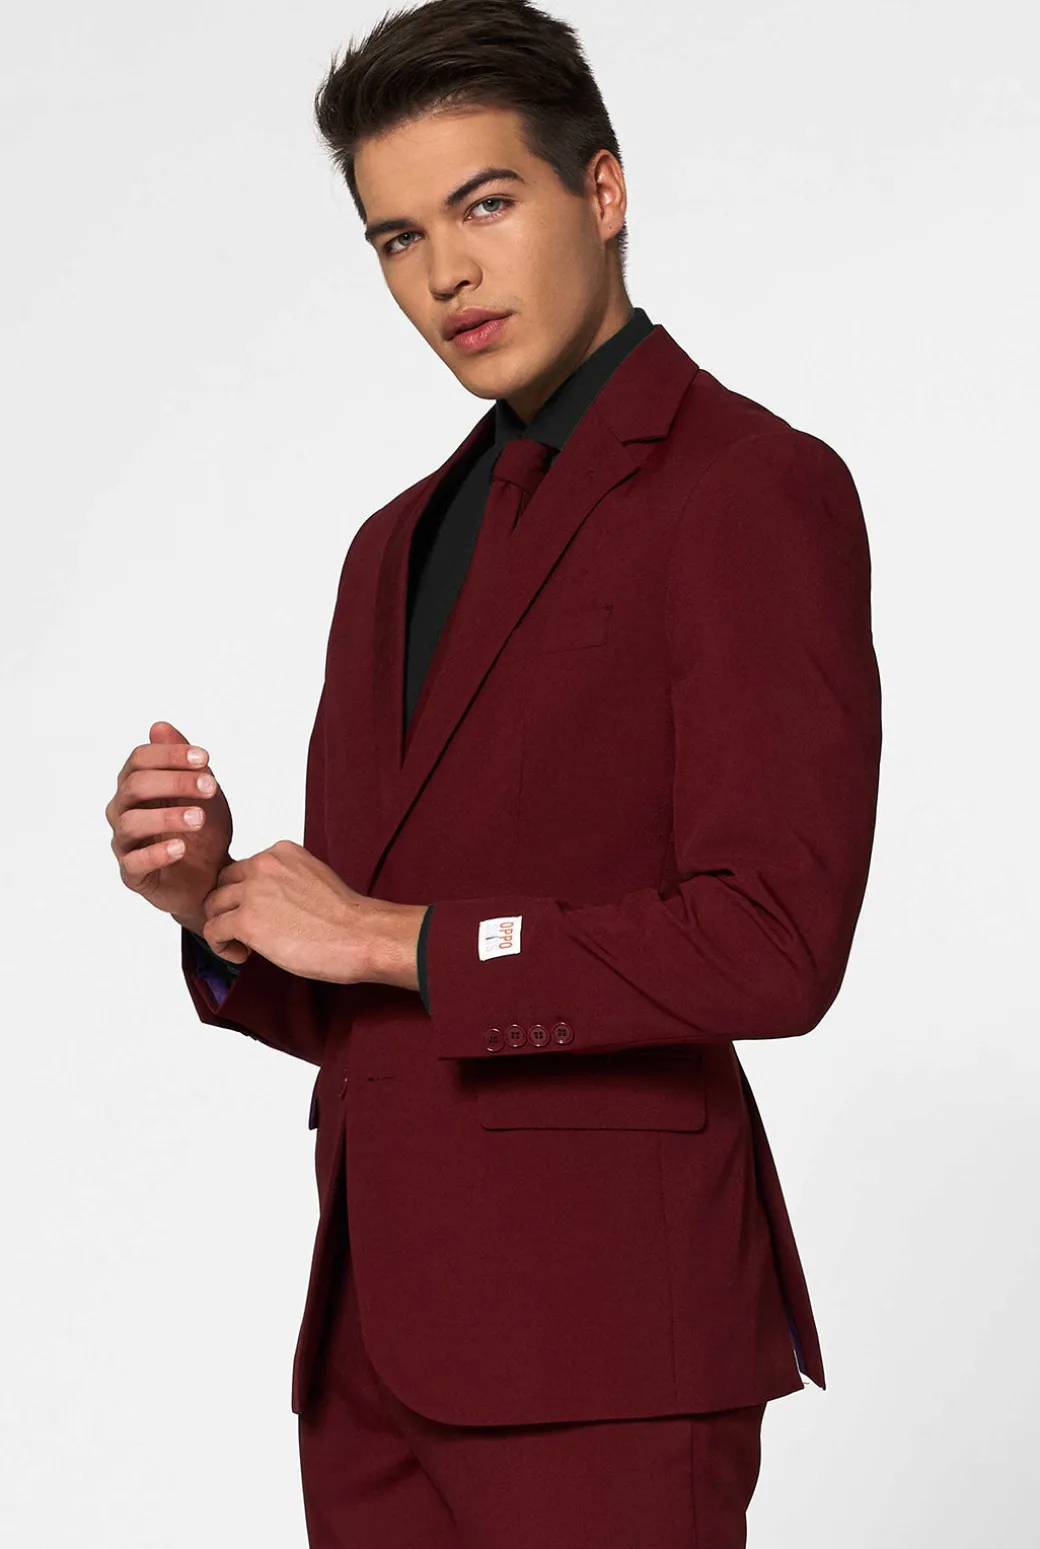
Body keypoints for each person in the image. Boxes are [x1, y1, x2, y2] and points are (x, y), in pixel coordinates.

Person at [105, 2, 882, 1544]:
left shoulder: (750, 490)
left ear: (601, 190)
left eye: (484, 204)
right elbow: (366, 1004)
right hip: (373, 1355)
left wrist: (389, 936)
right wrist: (217, 907)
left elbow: (774, 942)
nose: (444, 274)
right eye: (397, 238)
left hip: (608, 1345)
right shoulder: (389, 549)